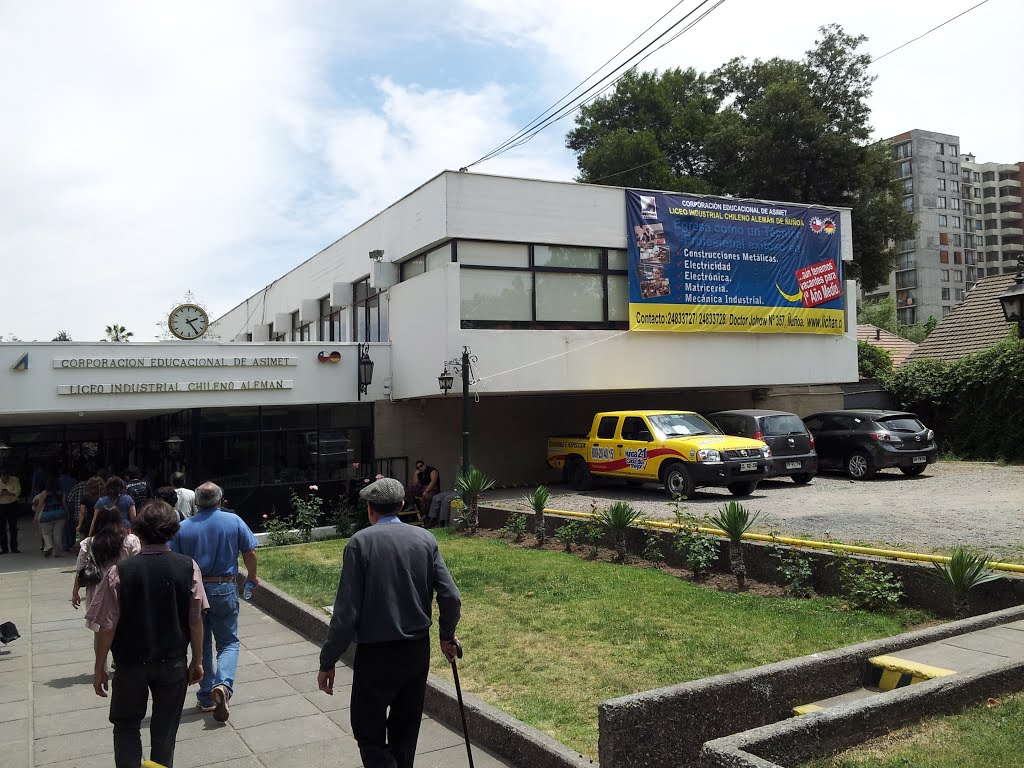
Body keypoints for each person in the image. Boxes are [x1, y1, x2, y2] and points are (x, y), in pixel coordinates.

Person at [318, 477, 462, 768]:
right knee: (405, 733)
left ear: (370, 509)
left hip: (376, 654)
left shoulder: (359, 543)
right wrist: (447, 635)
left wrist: (328, 660)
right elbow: (451, 596)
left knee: (368, 732)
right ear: (401, 506)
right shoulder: (425, 539)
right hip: (415, 651)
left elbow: (345, 614)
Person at [86, 501, 207, 768]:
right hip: (172, 660)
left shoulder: (120, 572)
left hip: (130, 663)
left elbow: (106, 626)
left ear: (137, 531)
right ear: (173, 531)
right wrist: (197, 659)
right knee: (165, 729)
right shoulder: (189, 567)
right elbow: (195, 620)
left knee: (126, 724)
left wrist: (99, 667)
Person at [170, 481, 258, 722]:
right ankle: (224, 684)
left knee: (202, 644)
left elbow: (174, 560)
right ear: (221, 500)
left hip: (195, 589)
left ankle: (208, 696)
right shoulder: (234, 521)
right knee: (228, 641)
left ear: (197, 502)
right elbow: (249, 552)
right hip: (224, 585)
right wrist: (252, 576)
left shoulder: (182, 527)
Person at [34, 475, 66, 557]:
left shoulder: (44, 493)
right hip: (60, 514)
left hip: (47, 515)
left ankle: (49, 546)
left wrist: (36, 516)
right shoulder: (62, 492)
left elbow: (40, 505)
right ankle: (57, 552)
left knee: (46, 533)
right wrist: (67, 514)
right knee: (57, 534)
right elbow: (64, 504)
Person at [0, 467, 21, 554]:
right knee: (1, 528)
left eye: (7, 478)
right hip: (0, 505)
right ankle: (4, 548)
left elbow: (17, 492)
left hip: (12, 505)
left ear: (9, 476)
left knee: (13, 527)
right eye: (3, 479)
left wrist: (9, 493)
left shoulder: (15, 480)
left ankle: (14, 547)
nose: (5, 481)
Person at [79, 475, 105, 540]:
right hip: (103, 520)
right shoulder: (104, 496)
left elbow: (82, 512)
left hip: (89, 520)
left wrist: (79, 525)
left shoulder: (85, 497)